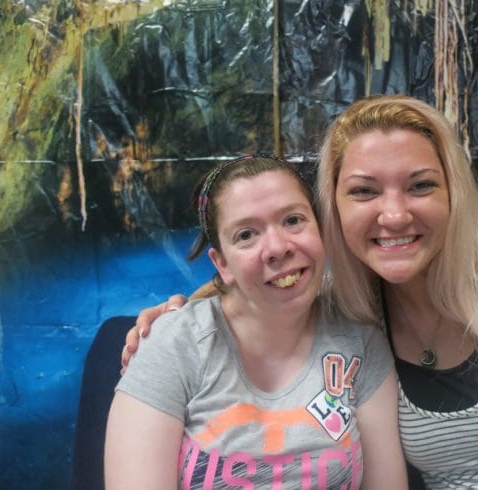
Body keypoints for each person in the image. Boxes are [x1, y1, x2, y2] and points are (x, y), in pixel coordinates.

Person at [124, 96, 478, 489]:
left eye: (420, 185)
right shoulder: (348, 298)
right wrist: (180, 312)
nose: (395, 215)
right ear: (333, 208)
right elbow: (260, 279)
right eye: (364, 191)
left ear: (454, 191)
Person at [105, 154, 408, 490]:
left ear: (321, 231)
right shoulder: (172, 345)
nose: (277, 248)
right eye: (246, 234)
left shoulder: (360, 344)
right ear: (222, 264)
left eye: (293, 220)